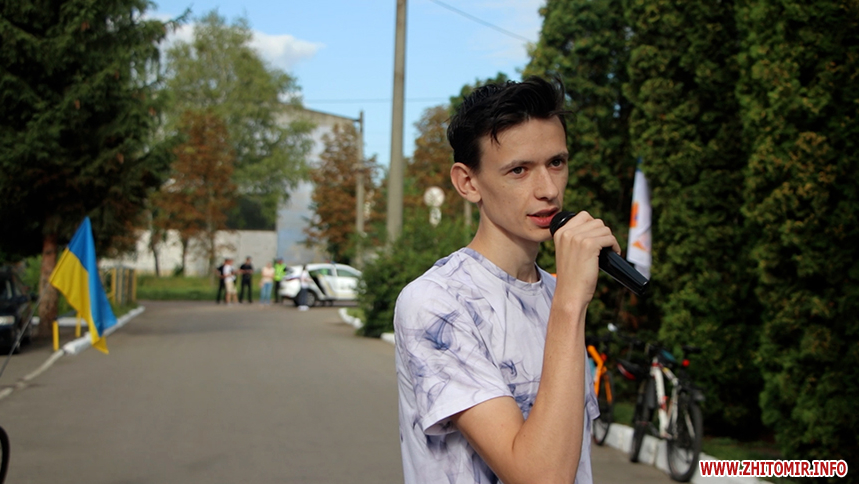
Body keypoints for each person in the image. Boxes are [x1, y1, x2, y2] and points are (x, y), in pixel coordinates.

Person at [394, 77, 616, 484]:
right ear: (468, 182)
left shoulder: (556, 293)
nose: (548, 190)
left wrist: (565, 298)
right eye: (519, 170)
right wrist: (570, 303)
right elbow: (541, 477)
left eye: (556, 163)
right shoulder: (435, 303)